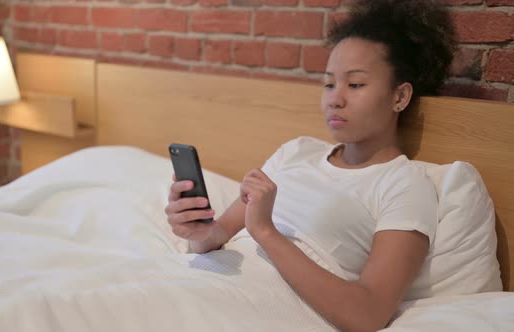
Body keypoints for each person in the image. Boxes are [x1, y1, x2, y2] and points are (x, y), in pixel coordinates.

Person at [164, 0, 457, 331]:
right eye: (330, 84)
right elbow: (217, 235)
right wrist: (197, 232)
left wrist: (265, 232)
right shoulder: (297, 151)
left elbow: (369, 314)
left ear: (400, 97)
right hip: (206, 280)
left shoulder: (405, 184)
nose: (335, 98)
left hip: (258, 307)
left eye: (355, 84)